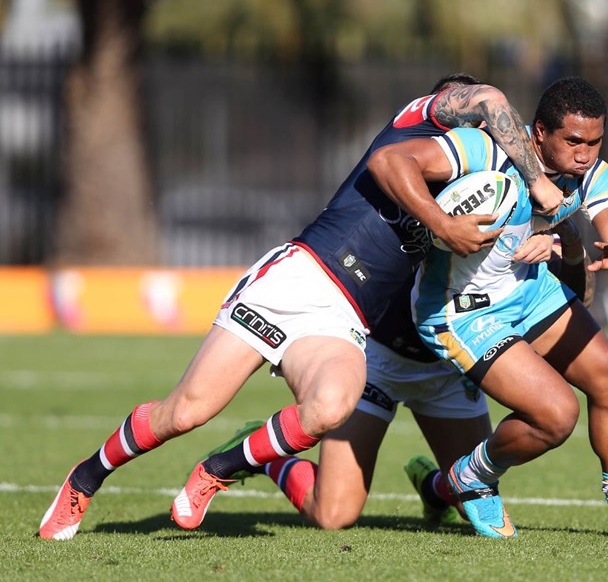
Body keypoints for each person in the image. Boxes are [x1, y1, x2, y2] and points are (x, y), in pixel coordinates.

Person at [38, 74, 565, 541]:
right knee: (187, 411)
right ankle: (85, 479)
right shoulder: (413, 128)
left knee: (332, 405)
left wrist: (558, 241)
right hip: (299, 277)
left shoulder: (470, 182)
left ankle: (219, 467)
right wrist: (524, 189)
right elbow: (490, 99)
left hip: (347, 320)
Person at [367, 76, 608, 541]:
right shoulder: (482, 149)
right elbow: (388, 159)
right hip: (460, 310)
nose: (585, 153)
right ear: (537, 133)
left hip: (527, 293)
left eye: (595, 141)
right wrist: (442, 224)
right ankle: (467, 478)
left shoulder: (590, 173)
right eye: (573, 141)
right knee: (556, 416)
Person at [189, 219, 590, 530]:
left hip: (447, 368)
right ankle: (268, 460)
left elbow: (573, 298)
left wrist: (570, 248)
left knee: (470, 501)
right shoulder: (439, 204)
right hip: (379, 361)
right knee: (332, 514)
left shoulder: (519, 218)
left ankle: (434, 489)